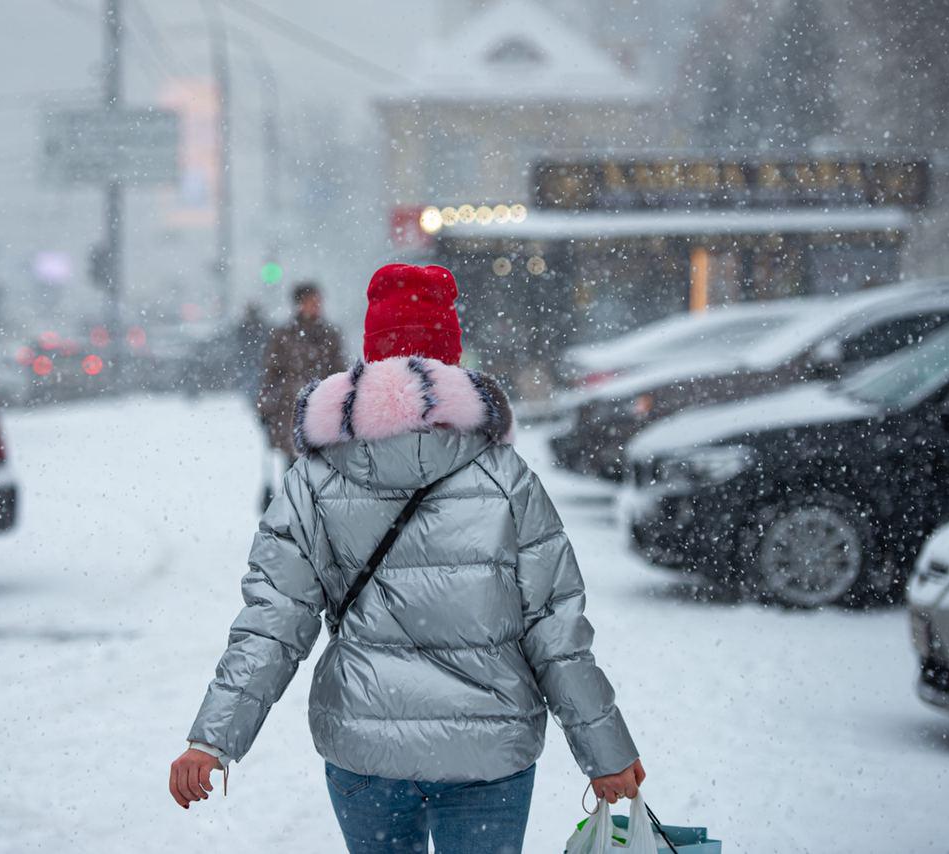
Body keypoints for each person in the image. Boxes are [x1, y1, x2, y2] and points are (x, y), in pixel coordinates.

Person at [170, 264, 644, 853]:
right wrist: (606, 752)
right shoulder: (505, 478)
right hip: (488, 751)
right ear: (451, 353)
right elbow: (555, 629)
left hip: (367, 747)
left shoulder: (314, 478)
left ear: (370, 351)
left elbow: (273, 621)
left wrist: (212, 739)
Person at [256, 281, 346, 459]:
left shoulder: (330, 334)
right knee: (294, 461)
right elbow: (272, 373)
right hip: (291, 407)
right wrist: (265, 407)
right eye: (310, 301)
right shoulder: (283, 335)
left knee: (322, 463)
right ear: (299, 304)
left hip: (322, 406)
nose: (316, 305)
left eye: (318, 301)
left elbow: (340, 370)